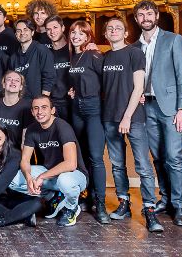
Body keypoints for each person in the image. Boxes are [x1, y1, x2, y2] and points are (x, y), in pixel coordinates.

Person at [133, 0, 182, 227]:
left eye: (149, 14)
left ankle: (180, 206)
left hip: (170, 107)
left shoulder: (173, 39)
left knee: (174, 157)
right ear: (136, 19)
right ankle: (166, 200)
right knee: (157, 157)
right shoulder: (135, 46)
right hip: (146, 107)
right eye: (141, 15)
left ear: (156, 16)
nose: (145, 18)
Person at [101, 17, 163, 233]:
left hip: (133, 118)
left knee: (143, 166)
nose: (114, 31)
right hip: (109, 117)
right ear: (105, 34)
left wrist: (127, 116)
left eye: (118, 28)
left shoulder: (134, 53)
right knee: (117, 164)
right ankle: (124, 203)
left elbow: (139, 88)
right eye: (110, 28)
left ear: (126, 33)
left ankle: (149, 209)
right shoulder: (104, 57)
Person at [9, 96, 88, 228]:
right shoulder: (32, 129)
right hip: (51, 174)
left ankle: (72, 207)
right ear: (32, 112)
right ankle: (54, 197)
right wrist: (28, 178)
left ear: (52, 110)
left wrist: (41, 177)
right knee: (14, 179)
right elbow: (25, 160)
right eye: (36, 108)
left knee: (65, 180)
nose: (39, 111)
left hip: (75, 175)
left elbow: (71, 164)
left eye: (44, 107)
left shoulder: (62, 127)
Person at [65, 19, 108, 223]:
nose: (76, 36)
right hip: (76, 109)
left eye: (81, 33)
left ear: (88, 36)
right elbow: (79, 80)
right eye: (73, 32)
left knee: (96, 157)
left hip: (93, 109)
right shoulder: (73, 57)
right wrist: (72, 90)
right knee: (81, 156)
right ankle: (87, 196)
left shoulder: (94, 54)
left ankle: (100, 203)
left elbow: (108, 80)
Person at [0, 121, 41, 229]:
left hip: (9, 196)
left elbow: (5, 178)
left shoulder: (15, 154)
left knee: (37, 202)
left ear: (5, 133)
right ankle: (23, 217)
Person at [9, 18, 55, 101]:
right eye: (19, 31)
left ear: (32, 32)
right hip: (20, 102)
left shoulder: (42, 50)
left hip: (37, 102)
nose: (22, 33)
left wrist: (42, 101)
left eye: (25, 29)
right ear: (16, 34)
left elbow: (49, 78)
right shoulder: (13, 57)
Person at [0, 70, 32, 145]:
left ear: (21, 87)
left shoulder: (26, 106)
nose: (13, 82)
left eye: (17, 80)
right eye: (9, 79)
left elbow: (26, 139)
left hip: (16, 150)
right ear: (3, 84)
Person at [44, 15, 72, 121]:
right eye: (48, 29)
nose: (52, 32)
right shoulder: (45, 53)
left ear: (63, 28)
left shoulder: (73, 49)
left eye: (55, 27)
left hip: (71, 102)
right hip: (53, 103)